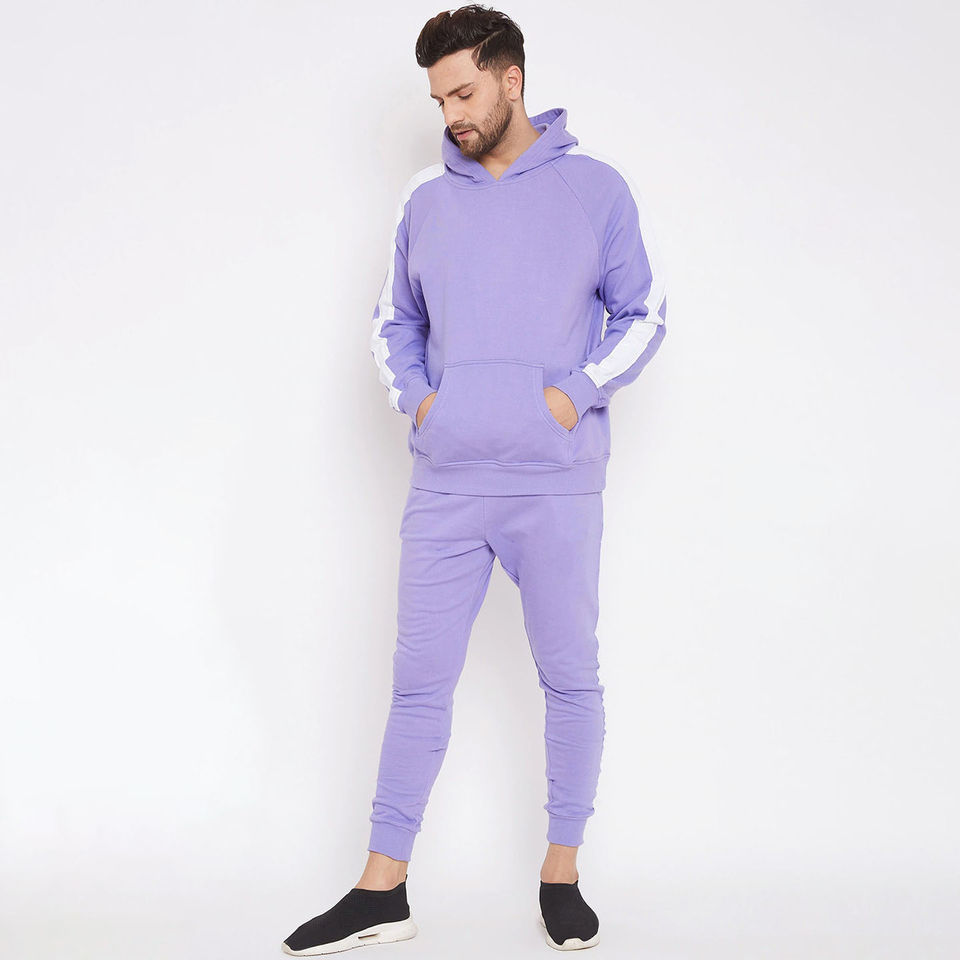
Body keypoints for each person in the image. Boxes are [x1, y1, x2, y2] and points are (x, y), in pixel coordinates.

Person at [282, 5, 666, 955]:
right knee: (418, 685)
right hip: (448, 483)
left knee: (569, 678)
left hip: (554, 484)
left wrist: (569, 399)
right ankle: (382, 889)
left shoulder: (595, 188)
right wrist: (424, 405)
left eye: (463, 92)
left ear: (511, 79)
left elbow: (645, 315)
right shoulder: (425, 198)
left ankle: (561, 874)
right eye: (438, 100)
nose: (450, 114)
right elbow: (394, 323)